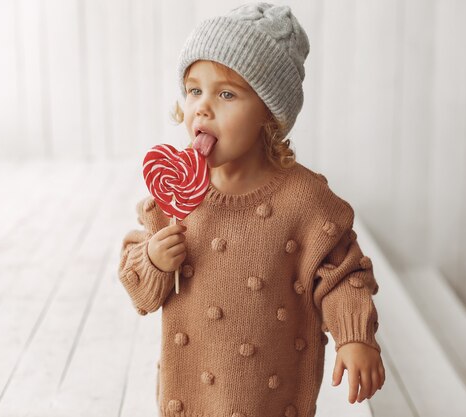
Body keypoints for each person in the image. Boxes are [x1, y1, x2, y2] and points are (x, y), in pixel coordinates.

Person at [119, 3, 384, 416]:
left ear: (269, 113)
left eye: (226, 93)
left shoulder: (305, 200)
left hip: (272, 398)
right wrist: (153, 259)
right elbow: (139, 288)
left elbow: (342, 274)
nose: (203, 107)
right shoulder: (175, 197)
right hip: (189, 396)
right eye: (194, 90)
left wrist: (354, 336)